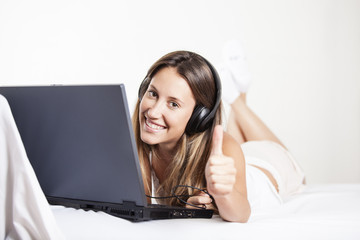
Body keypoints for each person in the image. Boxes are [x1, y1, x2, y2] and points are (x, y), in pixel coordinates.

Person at [131, 42, 305, 223]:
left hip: (268, 163)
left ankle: (237, 99)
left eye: (173, 104)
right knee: (234, 151)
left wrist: (222, 195)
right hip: (238, 156)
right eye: (152, 94)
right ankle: (240, 93)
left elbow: (241, 214)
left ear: (199, 116)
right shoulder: (137, 142)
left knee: (300, 174)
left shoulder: (224, 146)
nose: (153, 112)